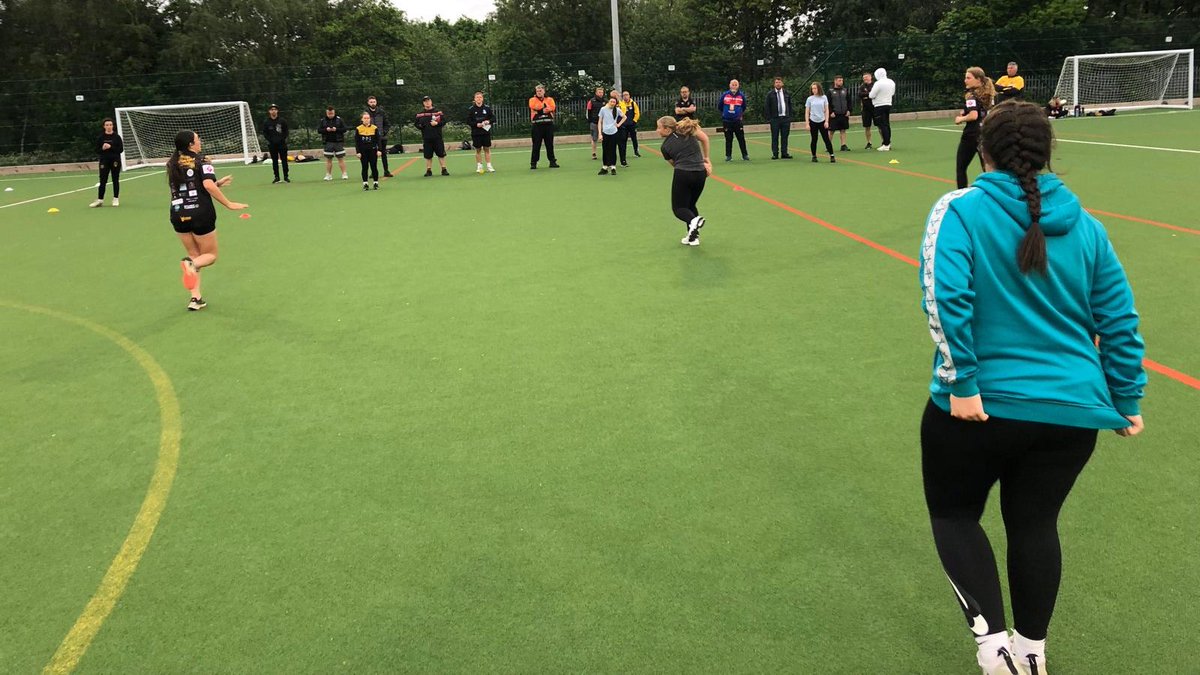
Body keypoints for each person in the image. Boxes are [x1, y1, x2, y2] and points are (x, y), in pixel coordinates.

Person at [918, 99, 1146, 675]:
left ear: (984, 150)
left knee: (954, 515)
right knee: (1035, 526)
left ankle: (996, 649)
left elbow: (946, 297)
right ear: (1048, 154)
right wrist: (1125, 398)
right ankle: (1032, 654)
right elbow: (1117, 318)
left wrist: (961, 382)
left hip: (979, 407)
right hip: (1069, 414)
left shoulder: (960, 208)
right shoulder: (1087, 225)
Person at [169, 130, 248, 311]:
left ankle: (195, 298)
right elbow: (206, 185)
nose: (200, 141)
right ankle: (191, 265)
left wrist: (217, 183)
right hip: (200, 213)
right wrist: (229, 204)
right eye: (197, 139)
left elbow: (190, 185)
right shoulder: (202, 160)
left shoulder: (172, 162)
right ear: (190, 144)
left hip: (178, 213)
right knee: (209, 256)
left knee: (195, 254)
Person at [656, 116, 712, 246]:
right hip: (700, 173)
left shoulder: (665, 147)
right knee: (690, 205)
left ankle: (695, 220)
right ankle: (693, 237)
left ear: (667, 129)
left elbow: (674, 164)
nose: (657, 130)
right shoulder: (688, 130)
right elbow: (705, 138)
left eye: (659, 127)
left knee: (679, 208)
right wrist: (706, 159)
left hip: (683, 174)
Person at [954, 67, 995, 189]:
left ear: (978, 80)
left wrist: (960, 119)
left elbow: (974, 115)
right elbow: (981, 112)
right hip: (986, 133)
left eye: (968, 78)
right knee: (988, 168)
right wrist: (965, 112)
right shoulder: (987, 95)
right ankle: (993, 193)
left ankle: (961, 193)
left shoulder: (971, 96)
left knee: (961, 167)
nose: (965, 80)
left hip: (971, 135)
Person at [90, 118, 123, 207]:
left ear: (113, 126)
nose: (109, 126)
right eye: (107, 125)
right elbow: (97, 150)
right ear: (104, 126)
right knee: (103, 180)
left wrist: (110, 147)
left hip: (115, 160)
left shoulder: (117, 137)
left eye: (110, 125)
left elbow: (120, 149)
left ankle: (115, 198)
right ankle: (100, 200)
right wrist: (103, 148)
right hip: (104, 161)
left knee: (115, 179)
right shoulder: (101, 137)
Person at [415, 96, 448, 177]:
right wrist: (420, 126)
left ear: (431, 101)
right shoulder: (420, 114)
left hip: (437, 137)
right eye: (425, 101)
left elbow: (444, 121)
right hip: (426, 137)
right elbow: (416, 124)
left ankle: (444, 169)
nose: (427, 102)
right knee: (428, 155)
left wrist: (437, 124)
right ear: (423, 103)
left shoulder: (438, 112)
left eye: (428, 101)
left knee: (441, 154)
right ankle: (429, 170)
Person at [529, 84, 560, 169]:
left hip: (548, 125)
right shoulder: (532, 99)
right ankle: (533, 163)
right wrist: (543, 108)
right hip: (537, 126)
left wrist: (540, 110)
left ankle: (552, 161)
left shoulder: (549, 99)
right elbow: (533, 106)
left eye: (540, 91)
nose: (539, 92)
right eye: (537, 91)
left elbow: (552, 107)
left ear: (544, 91)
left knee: (550, 144)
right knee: (536, 145)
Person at [804, 82, 836, 163]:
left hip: (822, 121)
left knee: (826, 139)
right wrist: (807, 123)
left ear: (819, 88)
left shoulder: (824, 97)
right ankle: (814, 155)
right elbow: (807, 111)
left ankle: (832, 155)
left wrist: (826, 121)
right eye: (812, 89)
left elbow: (826, 110)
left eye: (815, 88)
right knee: (814, 139)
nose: (814, 90)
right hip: (813, 121)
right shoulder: (810, 99)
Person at [719, 79, 749, 161]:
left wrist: (739, 114)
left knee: (741, 138)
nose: (734, 86)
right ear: (729, 85)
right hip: (727, 121)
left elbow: (744, 107)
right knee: (728, 139)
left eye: (736, 85)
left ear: (738, 86)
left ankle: (745, 155)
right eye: (733, 84)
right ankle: (728, 156)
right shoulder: (725, 95)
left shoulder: (741, 96)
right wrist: (725, 114)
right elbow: (720, 106)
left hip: (737, 121)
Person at [765, 76, 794, 160]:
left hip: (785, 118)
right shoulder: (770, 94)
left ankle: (784, 153)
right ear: (774, 84)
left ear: (782, 83)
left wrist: (789, 116)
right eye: (776, 82)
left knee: (785, 137)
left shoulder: (786, 93)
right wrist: (769, 118)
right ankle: (775, 154)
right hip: (775, 119)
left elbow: (790, 105)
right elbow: (767, 106)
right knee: (775, 137)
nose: (778, 84)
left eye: (779, 82)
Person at [466, 91, 496, 174]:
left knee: (487, 149)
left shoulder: (487, 108)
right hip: (476, 133)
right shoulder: (471, 109)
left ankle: (489, 165)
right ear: (474, 99)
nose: (479, 99)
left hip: (485, 132)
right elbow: (468, 121)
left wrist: (488, 121)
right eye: (477, 97)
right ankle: (479, 166)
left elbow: (493, 118)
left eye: (480, 97)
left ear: (482, 99)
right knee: (478, 150)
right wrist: (476, 124)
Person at [365, 95, 393, 177]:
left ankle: (386, 171)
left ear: (376, 102)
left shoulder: (381, 112)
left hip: (382, 137)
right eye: (371, 102)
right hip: (370, 138)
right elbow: (363, 124)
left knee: (383, 154)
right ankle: (373, 172)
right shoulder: (366, 113)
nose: (373, 103)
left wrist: (384, 132)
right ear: (368, 103)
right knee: (372, 155)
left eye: (374, 102)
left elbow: (387, 123)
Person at [597, 96, 625, 176]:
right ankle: (605, 167)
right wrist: (600, 134)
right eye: (611, 101)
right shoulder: (603, 109)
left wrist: (618, 124)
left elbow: (624, 117)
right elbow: (600, 122)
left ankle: (613, 167)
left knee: (613, 150)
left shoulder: (617, 110)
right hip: (605, 132)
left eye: (614, 102)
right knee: (605, 150)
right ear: (608, 102)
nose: (612, 103)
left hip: (614, 132)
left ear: (616, 103)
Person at [318, 106, 348, 181]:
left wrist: (336, 129)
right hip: (328, 142)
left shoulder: (339, 120)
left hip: (338, 142)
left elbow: (345, 129)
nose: (330, 115)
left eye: (332, 113)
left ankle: (344, 173)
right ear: (326, 113)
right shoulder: (323, 120)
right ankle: (328, 175)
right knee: (328, 159)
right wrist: (326, 129)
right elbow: (319, 130)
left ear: (334, 112)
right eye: (329, 113)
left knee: (340, 158)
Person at [354, 111, 382, 190]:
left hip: (372, 150)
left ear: (370, 119)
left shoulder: (374, 128)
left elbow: (378, 140)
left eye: (368, 118)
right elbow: (357, 142)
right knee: (364, 167)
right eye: (365, 118)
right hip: (363, 151)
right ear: (362, 119)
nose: (367, 120)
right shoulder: (358, 129)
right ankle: (365, 184)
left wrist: (379, 150)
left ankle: (375, 183)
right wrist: (358, 152)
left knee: (374, 167)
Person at [262, 104, 290, 184]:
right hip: (272, 145)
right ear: (269, 111)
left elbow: (286, 132)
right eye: (271, 109)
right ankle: (276, 177)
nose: (273, 111)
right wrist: (271, 140)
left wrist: (282, 139)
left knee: (284, 160)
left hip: (282, 144)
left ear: (277, 111)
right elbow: (265, 133)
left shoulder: (282, 121)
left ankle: (286, 176)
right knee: (274, 161)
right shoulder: (266, 122)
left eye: (275, 109)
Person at [869, 67, 895, 151]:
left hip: (879, 105)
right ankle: (887, 142)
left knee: (882, 125)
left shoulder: (878, 83)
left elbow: (871, 95)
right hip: (888, 104)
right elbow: (893, 93)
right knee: (887, 124)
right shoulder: (891, 82)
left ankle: (886, 144)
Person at [828, 75, 853, 151]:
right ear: (835, 81)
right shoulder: (830, 91)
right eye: (839, 80)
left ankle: (843, 145)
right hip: (834, 115)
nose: (841, 82)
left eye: (842, 80)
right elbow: (827, 103)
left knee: (843, 130)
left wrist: (849, 110)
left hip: (844, 114)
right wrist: (830, 112)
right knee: (831, 130)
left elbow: (849, 101)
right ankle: (828, 145)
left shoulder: (845, 90)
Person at [620, 90, 642, 160]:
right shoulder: (621, 104)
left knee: (634, 138)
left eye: (627, 95)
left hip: (632, 124)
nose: (625, 96)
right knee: (624, 139)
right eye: (624, 95)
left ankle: (636, 152)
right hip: (623, 125)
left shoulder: (633, 103)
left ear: (629, 96)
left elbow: (637, 113)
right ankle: (624, 153)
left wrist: (634, 121)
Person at [586, 86, 606, 160]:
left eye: (602, 92)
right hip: (594, 123)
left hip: (604, 123)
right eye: (599, 92)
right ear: (596, 93)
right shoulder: (591, 101)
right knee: (594, 139)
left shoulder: (605, 101)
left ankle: (606, 152)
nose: (601, 94)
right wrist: (590, 121)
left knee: (605, 138)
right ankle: (594, 153)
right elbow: (588, 112)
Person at [859, 71, 876, 149]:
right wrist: (869, 95)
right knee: (867, 127)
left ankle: (884, 142)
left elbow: (875, 94)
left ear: (870, 77)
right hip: (866, 109)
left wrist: (867, 95)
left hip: (875, 108)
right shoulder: (862, 86)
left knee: (880, 125)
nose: (865, 79)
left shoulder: (875, 85)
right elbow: (860, 95)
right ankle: (869, 142)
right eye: (863, 78)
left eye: (866, 77)